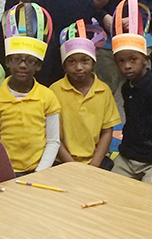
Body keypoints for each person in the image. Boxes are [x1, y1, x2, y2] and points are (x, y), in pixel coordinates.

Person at [0, 3, 61, 175]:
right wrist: (5, 172)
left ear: (38, 65)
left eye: (30, 60)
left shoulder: (48, 97)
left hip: (39, 171)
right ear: (7, 62)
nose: (23, 65)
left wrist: (40, 172)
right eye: (17, 59)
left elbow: (53, 141)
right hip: (5, 172)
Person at [109, 0, 152, 183]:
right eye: (121, 61)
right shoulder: (126, 87)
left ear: (145, 59)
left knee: (149, 194)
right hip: (127, 156)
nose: (127, 66)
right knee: (111, 187)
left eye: (133, 60)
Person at [50, 21, 120, 168]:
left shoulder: (103, 91)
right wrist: (72, 165)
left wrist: (94, 165)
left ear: (93, 63)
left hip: (95, 161)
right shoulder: (54, 91)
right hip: (62, 161)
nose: (79, 67)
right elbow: (52, 134)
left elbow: (107, 132)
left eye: (85, 61)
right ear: (64, 65)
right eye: (71, 62)